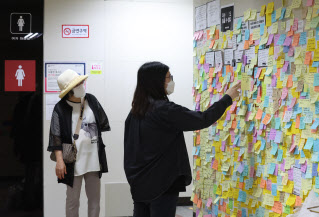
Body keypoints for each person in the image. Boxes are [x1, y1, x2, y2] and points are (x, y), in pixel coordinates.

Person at [124, 62, 241, 217]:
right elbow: (202, 119)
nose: (171, 81)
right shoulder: (164, 110)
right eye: (168, 77)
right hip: (161, 185)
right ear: (156, 81)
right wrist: (227, 98)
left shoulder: (135, 112)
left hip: (139, 184)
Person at [47, 69, 110, 217]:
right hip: (73, 161)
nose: (83, 84)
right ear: (70, 90)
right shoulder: (60, 108)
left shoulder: (92, 100)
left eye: (82, 82)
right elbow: (56, 137)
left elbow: (103, 122)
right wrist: (59, 161)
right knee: (72, 201)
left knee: (95, 200)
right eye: (79, 83)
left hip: (94, 159)